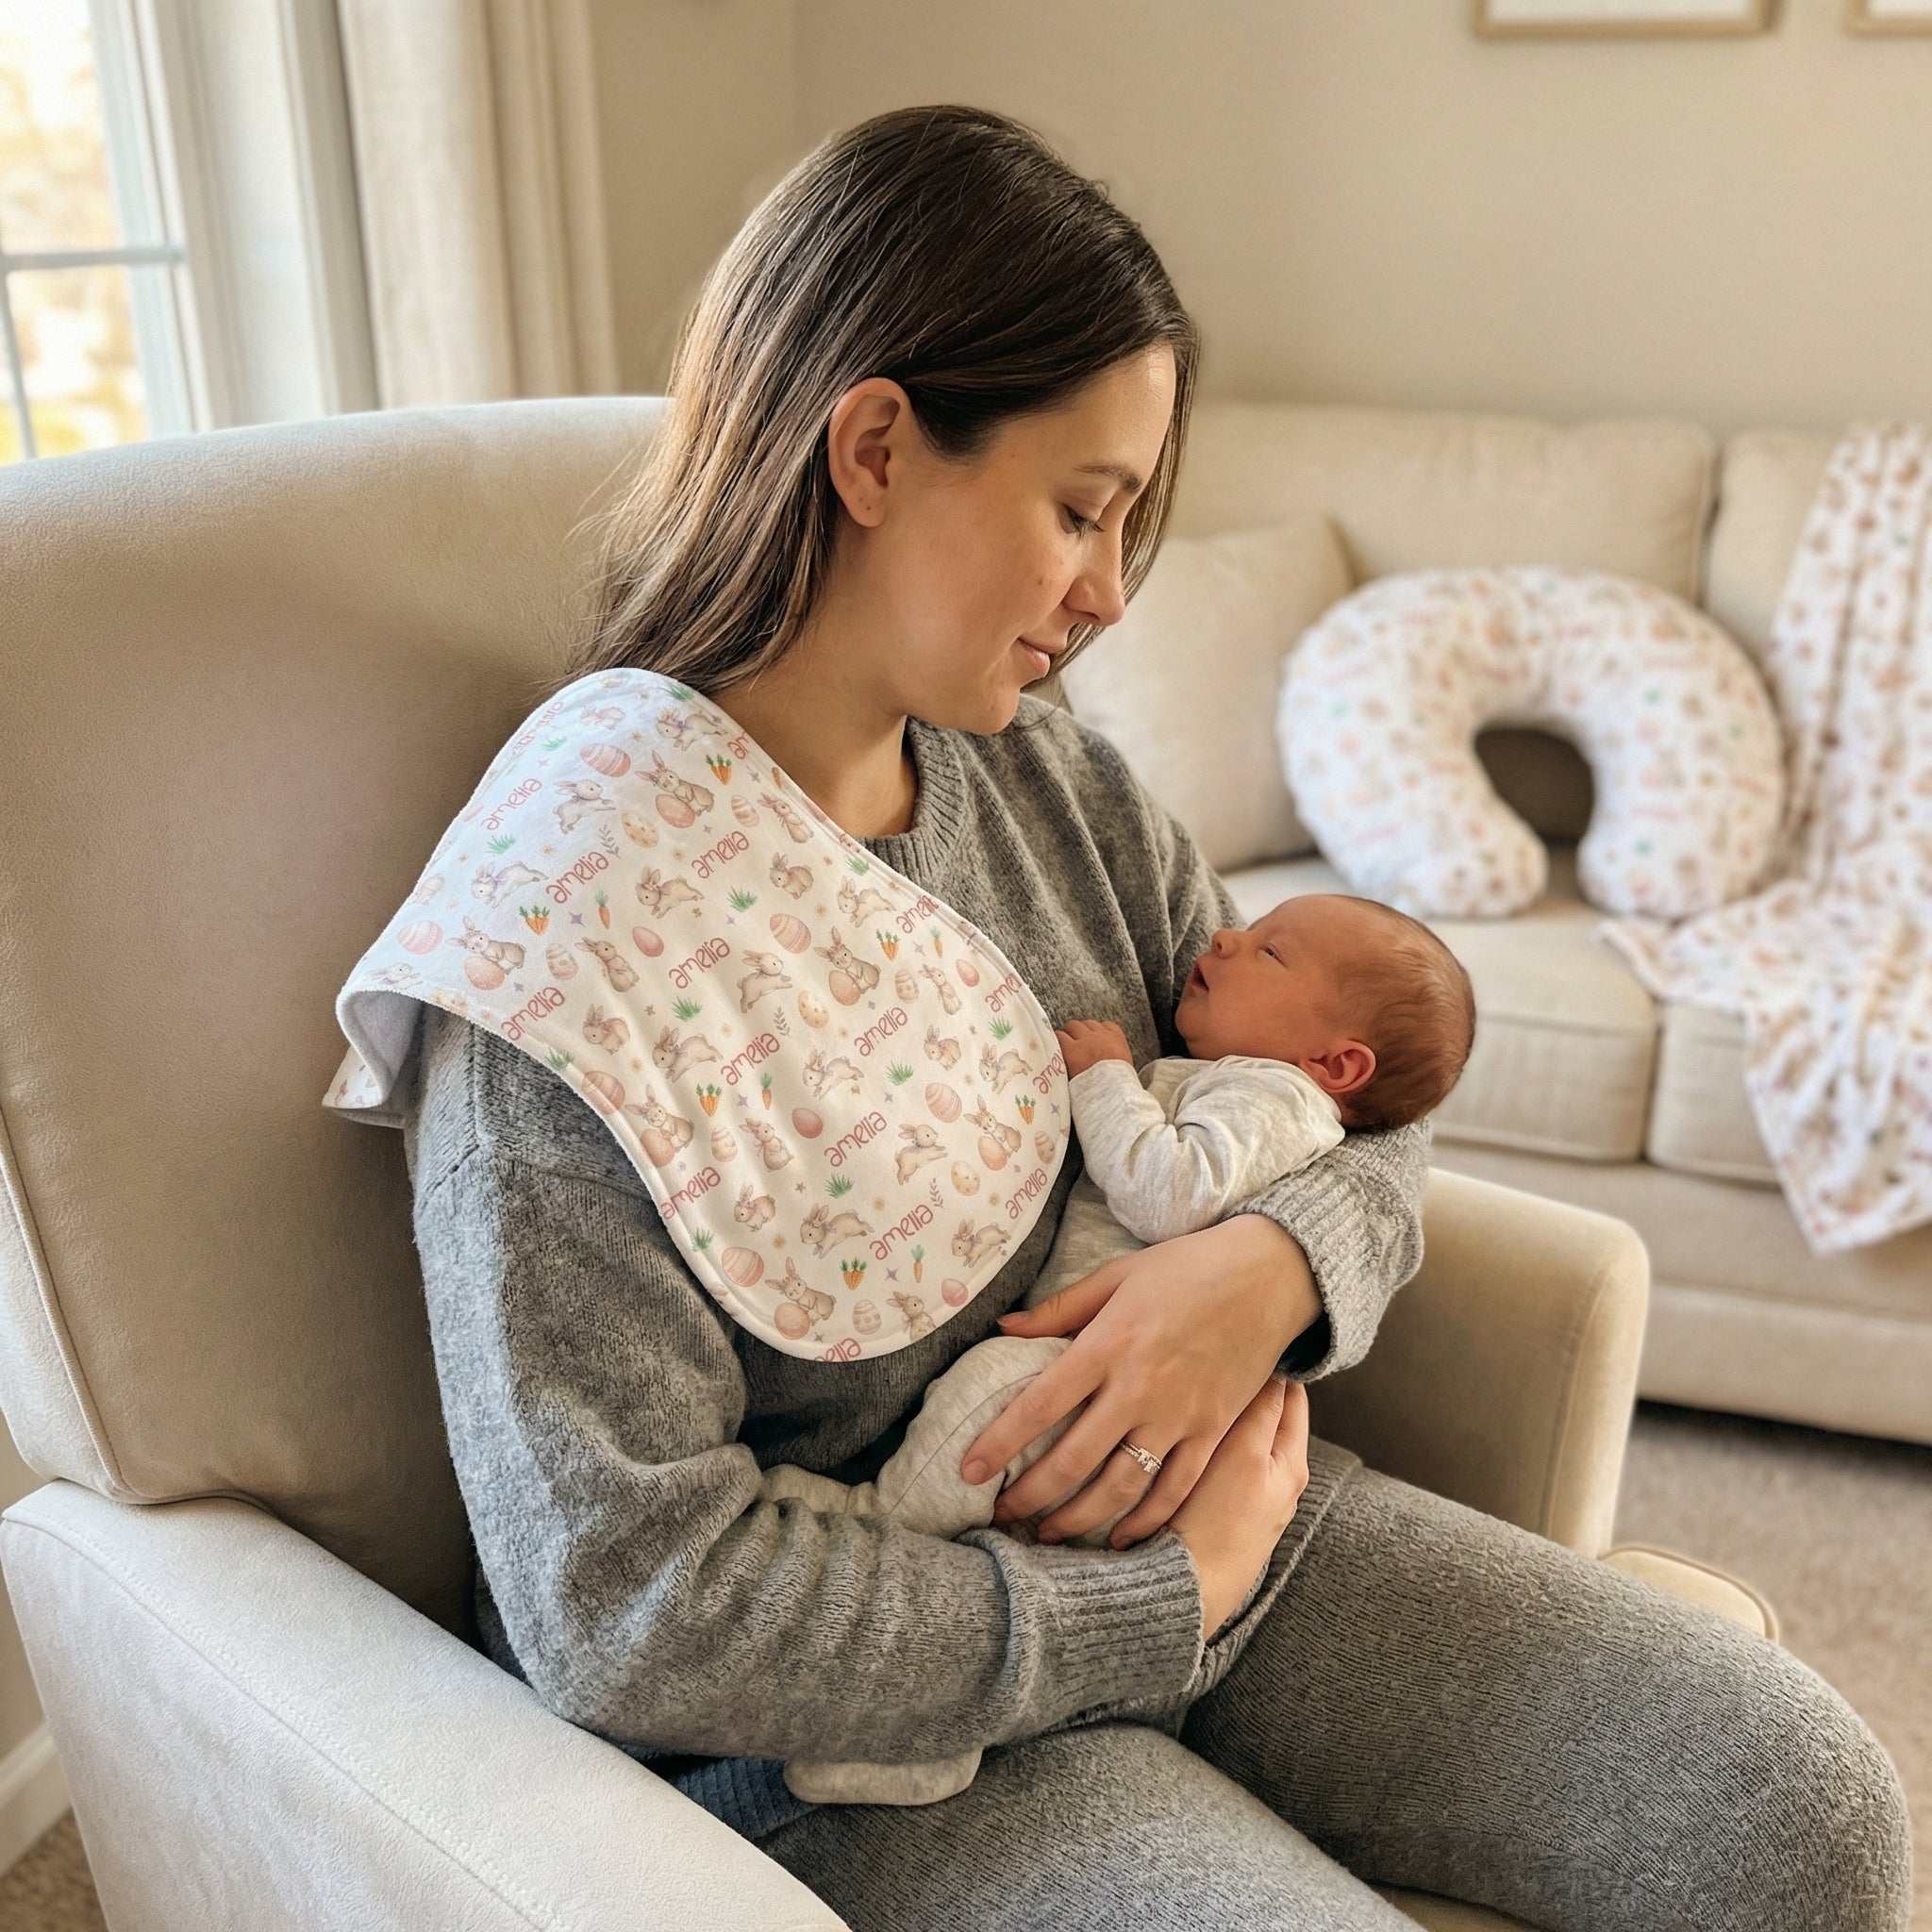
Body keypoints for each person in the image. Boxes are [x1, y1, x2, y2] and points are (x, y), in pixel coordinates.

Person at [398, 104, 1912, 1929]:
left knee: (1795, 1804)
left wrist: (1266, 1272)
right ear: (873, 445)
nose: (1110, 596)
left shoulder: (1039, 778)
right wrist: (1144, 1604)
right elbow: (621, 1596)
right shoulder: (569, 935)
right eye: (1080, 510)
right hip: (856, 1741)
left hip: (1234, 1526)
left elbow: (1359, 1090)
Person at [765, 891, 1478, 1806]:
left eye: (1269, 952)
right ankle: (930, 1708)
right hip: (1115, 1418)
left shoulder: (1273, 1093)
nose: (1222, 935)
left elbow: (1168, 1192)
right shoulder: (1260, 1073)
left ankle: (873, 1523)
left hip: (1084, 1375)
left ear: (1333, 1061)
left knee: (989, 1399)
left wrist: (1105, 1078)